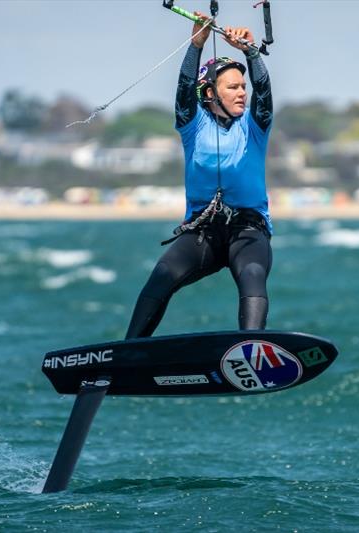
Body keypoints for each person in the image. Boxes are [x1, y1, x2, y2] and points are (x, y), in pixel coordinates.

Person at [125, 12, 273, 339]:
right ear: (209, 93)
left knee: (252, 273)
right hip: (202, 231)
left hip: (248, 230)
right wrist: (196, 45)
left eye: (242, 86)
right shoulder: (192, 125)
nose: (242, 93)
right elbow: (184, 87)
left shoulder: (255, 126)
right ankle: (130, 350)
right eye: (232, 87)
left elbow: (263, 90)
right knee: (162, 274)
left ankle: (249, 349)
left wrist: (250, 52)